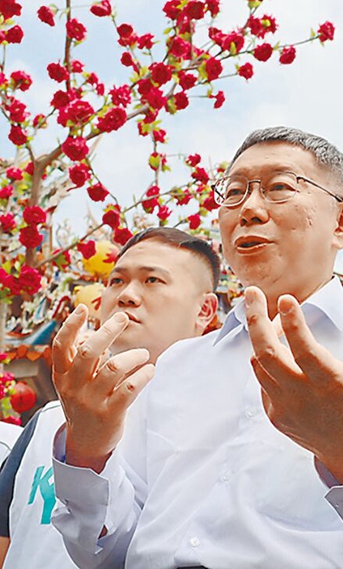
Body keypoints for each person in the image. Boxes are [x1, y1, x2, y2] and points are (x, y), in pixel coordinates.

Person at [51, 127, 343, 568]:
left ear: (341, 223)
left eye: (279, 187)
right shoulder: (177, 364)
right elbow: (107, 552)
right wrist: (88, 453)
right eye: (234, 192)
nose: (249, 209)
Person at [0, 227, 220, 568]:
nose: (126, 295)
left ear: (204, 310)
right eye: (116, 281)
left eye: (152, 280)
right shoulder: (48, 421)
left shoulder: (219, 430)